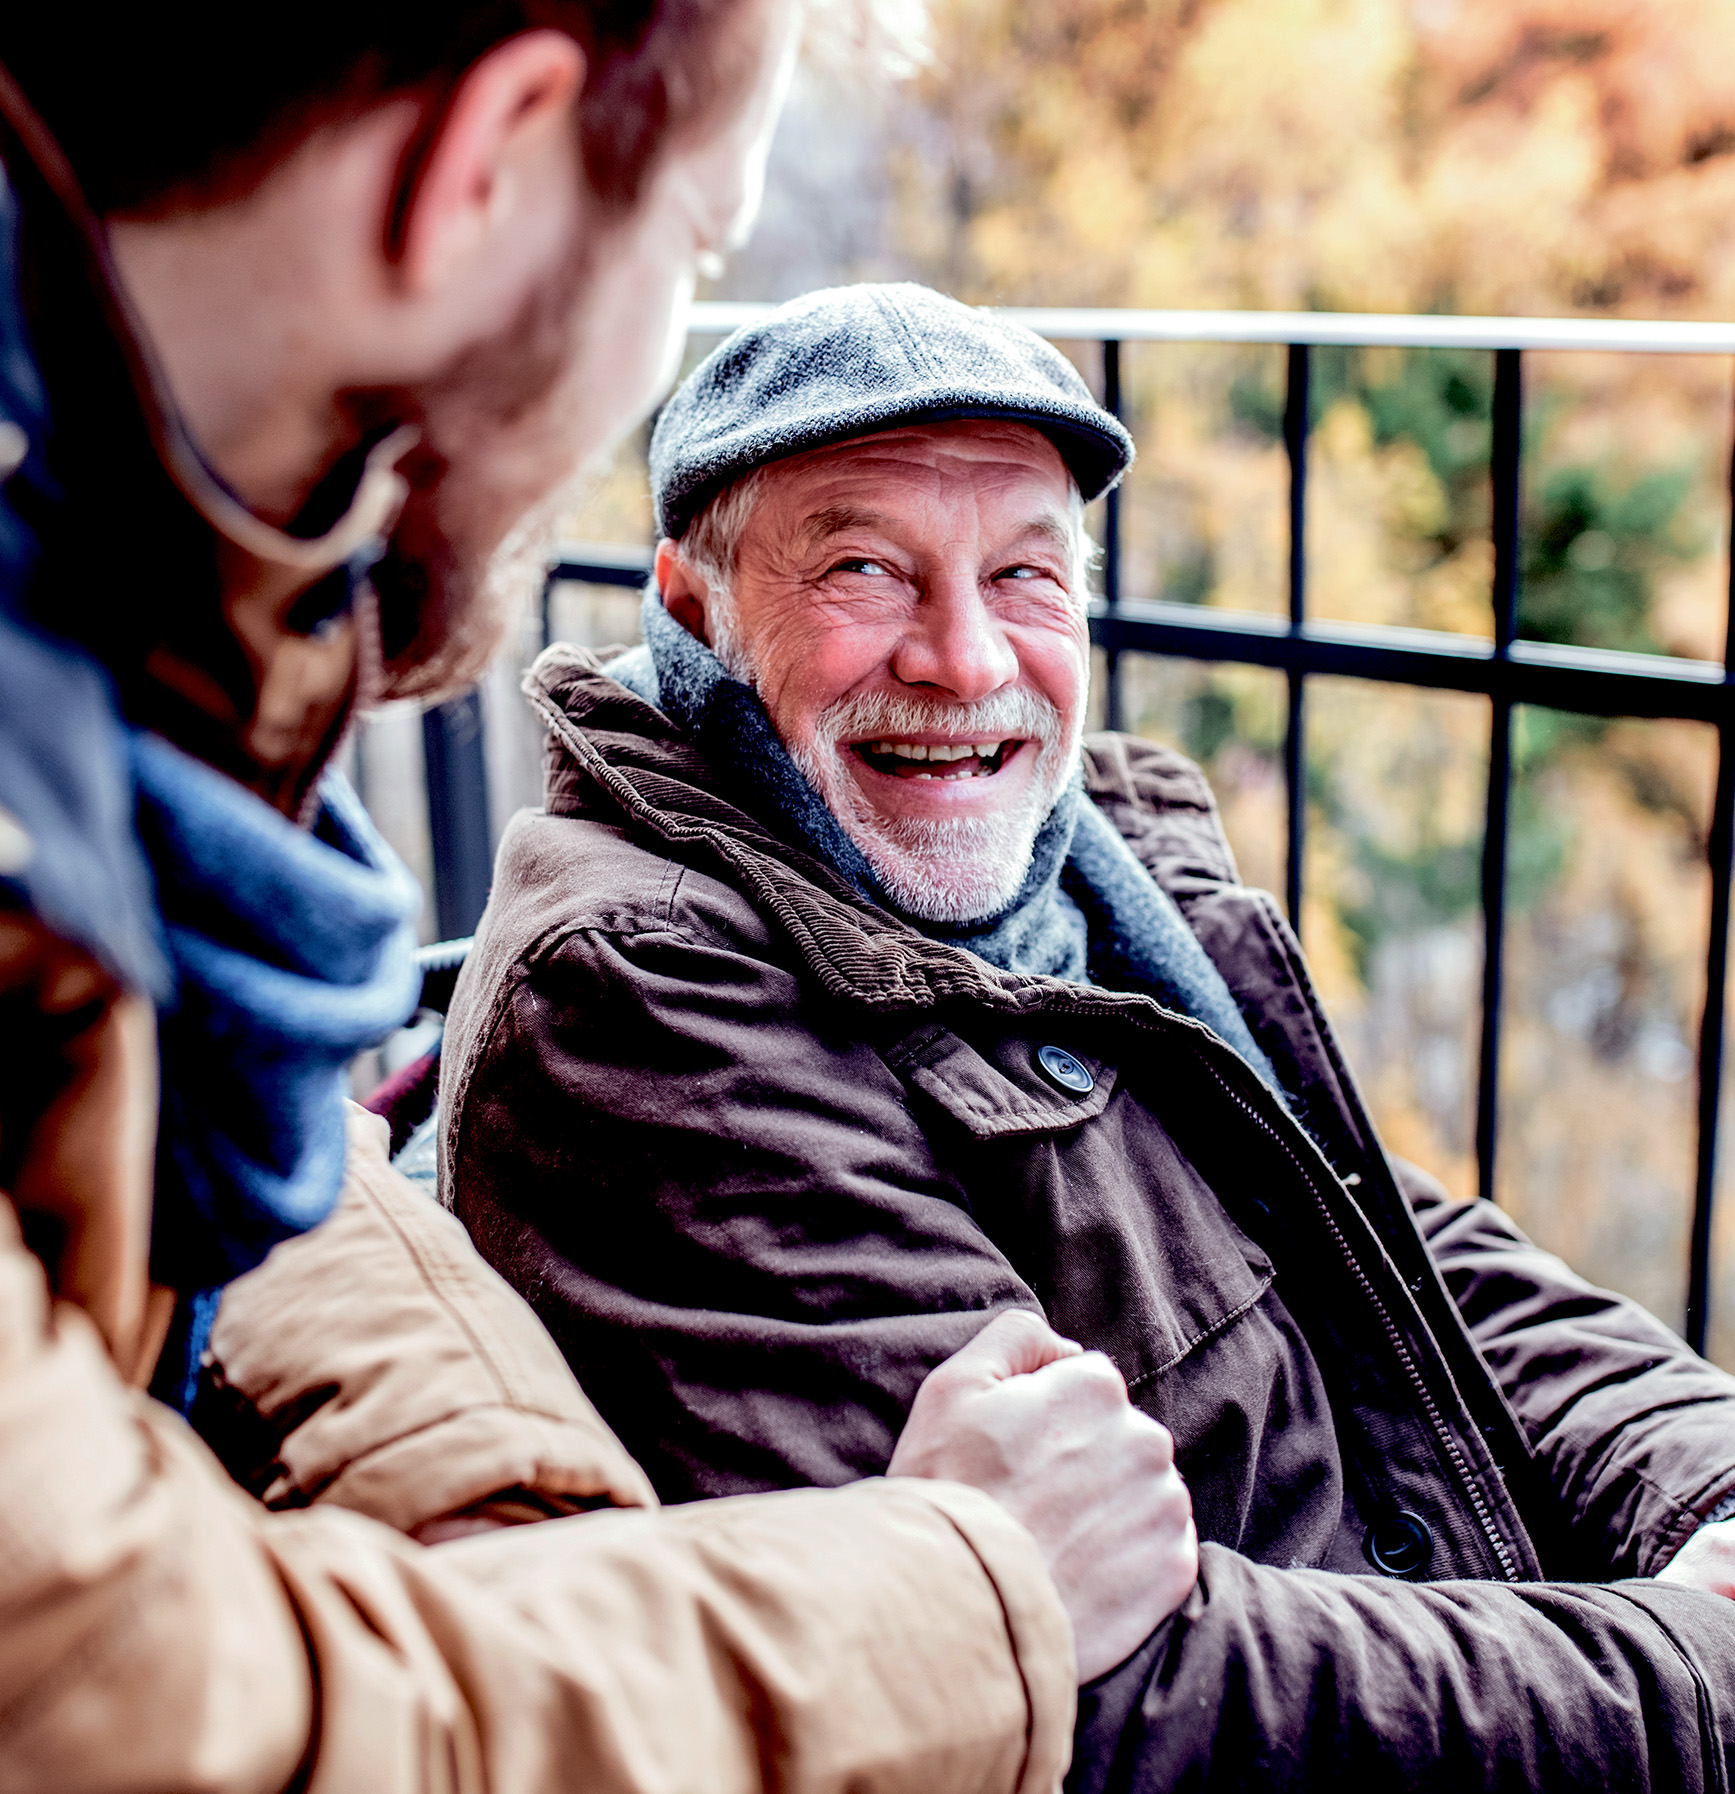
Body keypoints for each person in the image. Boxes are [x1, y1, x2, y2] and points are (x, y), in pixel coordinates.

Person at [0, 15, 1200, 1790]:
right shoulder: (631, 967)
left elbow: (236, 1174)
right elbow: (134, 1703)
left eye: (1026, 571)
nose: (961, 653)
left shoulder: (108, 646)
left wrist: (508, 1509)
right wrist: (960, 1588)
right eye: (696, 242)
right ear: (481, 165)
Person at [444, 279, 1735, 1788]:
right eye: (865, 569)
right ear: (690, 606)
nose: (964, 661)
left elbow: (1384, 1240)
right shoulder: (643, 1001)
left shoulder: (1090, 856)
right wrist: (1722, 1673)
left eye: (1023, 574)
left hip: (1472, 1643)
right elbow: (1090, 1687)